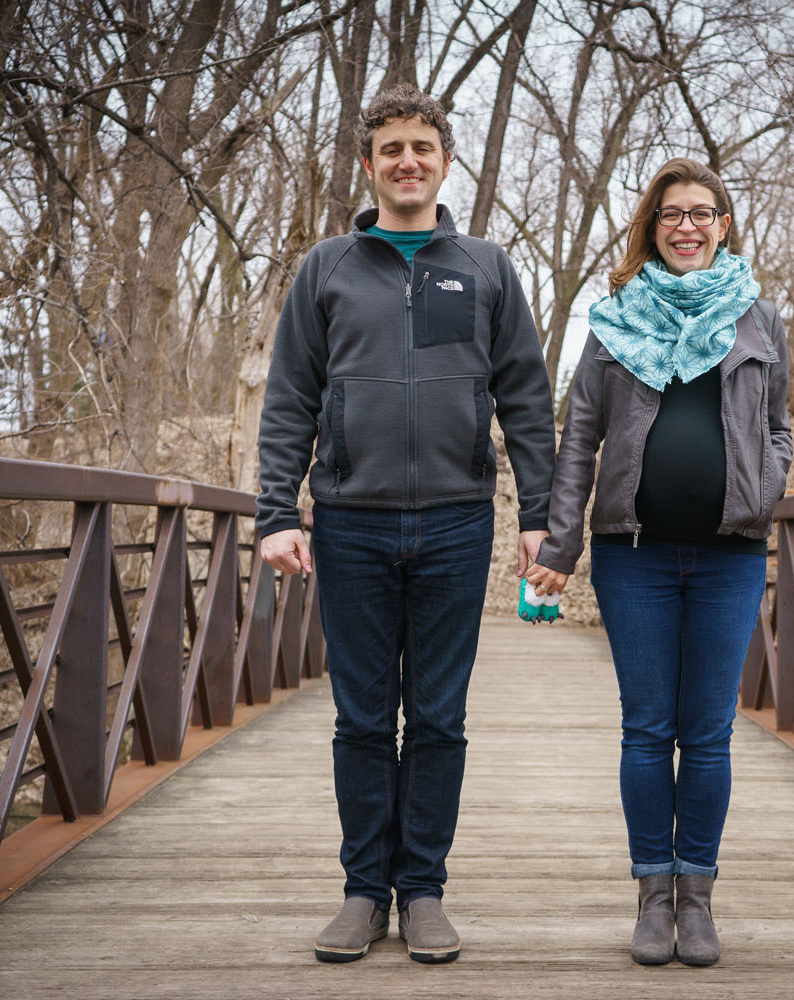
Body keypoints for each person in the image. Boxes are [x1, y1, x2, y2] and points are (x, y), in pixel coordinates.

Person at [256, 84, 555, 965]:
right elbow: (289, 402)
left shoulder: (487, 268)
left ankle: (422, 890)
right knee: (359, 718)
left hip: (458, 524)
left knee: (437, 718)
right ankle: (362, 890)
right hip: (350, 523)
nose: (407, 162)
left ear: (445, 161)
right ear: (369, 165)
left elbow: (526, 400)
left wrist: (537, 515)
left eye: (422, 147)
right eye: (391, 149)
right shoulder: (327, 270)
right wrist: (278, 512)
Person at [525, 157, 793, 967]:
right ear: (652, 226)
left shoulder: (758, 319)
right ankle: (651, 896)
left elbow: (779, 426)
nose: (687, 226)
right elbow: (578, 441)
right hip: (631, 559)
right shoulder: (612, 322)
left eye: (701, 213)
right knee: (647, 730)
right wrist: (559, 544)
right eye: (671, 213)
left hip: (731, 557)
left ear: (723, 224)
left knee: (707, 734)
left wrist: (766, 487)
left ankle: (697, 898)